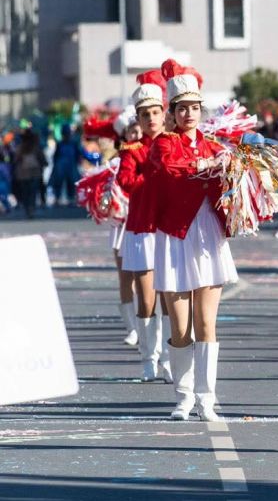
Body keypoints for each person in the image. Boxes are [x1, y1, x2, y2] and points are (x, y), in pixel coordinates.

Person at [149, 60, 238, 421]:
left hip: (208, 235)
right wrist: (204, 166)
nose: (189, 113)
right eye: (183, 108)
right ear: (172, 112)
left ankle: (206, 398)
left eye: (195, 107)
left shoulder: (216, 145)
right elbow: (170, 170)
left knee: (206, 324)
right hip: (175, 235)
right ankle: (183, 396)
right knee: (180, 327)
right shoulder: (164, 144)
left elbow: (228, 185)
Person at [118, 70, 172, 383]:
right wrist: (151, 175)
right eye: (145, 114)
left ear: (163, 114)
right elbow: (125, 181)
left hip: (168, 228)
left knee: (169, 298)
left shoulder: (174, 144)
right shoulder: (134, 151)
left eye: (155, 113)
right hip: (142, 228)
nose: (151, 119)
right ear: (138, 118)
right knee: (147, 298)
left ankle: (167, 357)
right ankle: (148, 358)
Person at [13, 128, 47, 219]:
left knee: (25, 192)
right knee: (32, 192)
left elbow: (15, 160)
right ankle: (31, 209)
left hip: (22, 173)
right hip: (34, 172)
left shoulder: (20, 148)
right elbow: (42, 158)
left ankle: (27, 209)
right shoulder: (35, 147)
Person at [48, 124, 82, 206]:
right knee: (58, 181)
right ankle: (58, 197)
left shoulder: (73, 143)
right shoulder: (60, 144)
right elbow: (56, 155)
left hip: (70, 164)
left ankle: (71, 197)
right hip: (62, 164)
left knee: (72, 181)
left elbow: (77, 154)